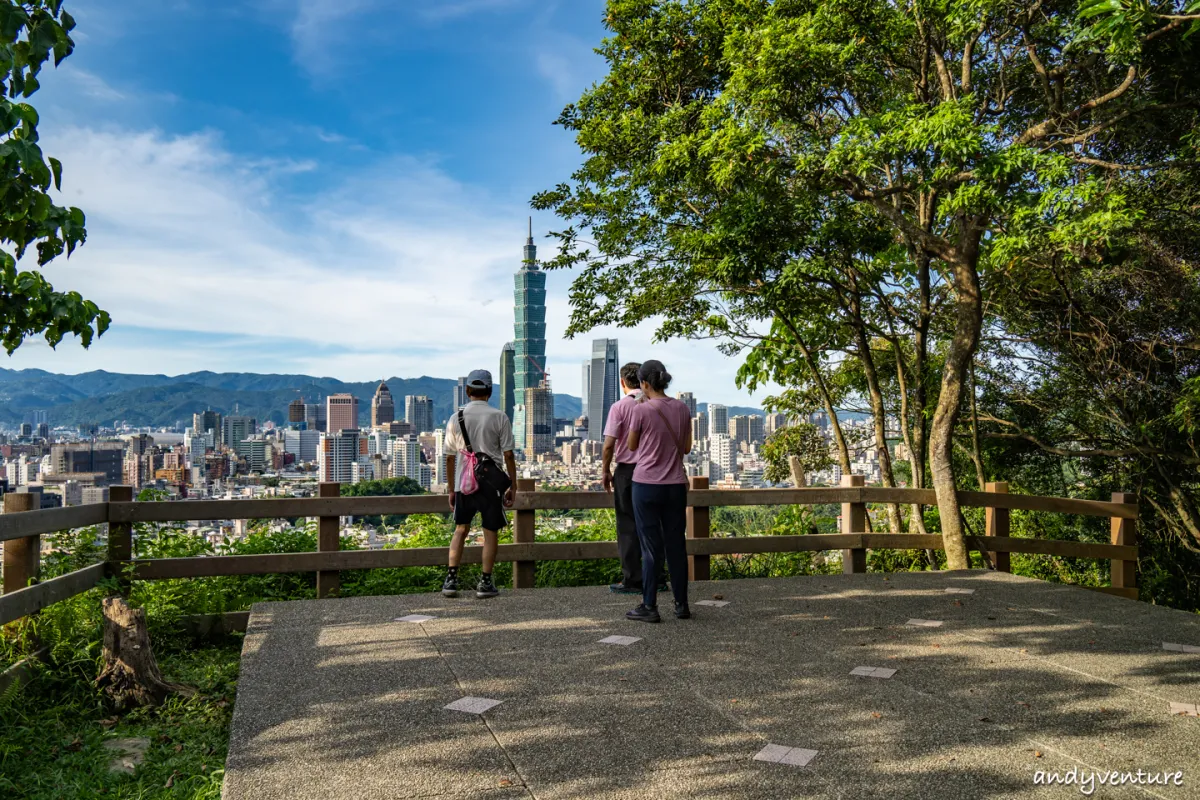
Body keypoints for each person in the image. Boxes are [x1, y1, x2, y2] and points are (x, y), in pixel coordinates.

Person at [624, 360, 693, 623]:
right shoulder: (682, 408)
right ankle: (681, 604)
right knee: (676, 545)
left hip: (646, 485)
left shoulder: (640, 410)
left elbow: (631, 446)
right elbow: (685, 448)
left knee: (651, 548)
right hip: (675, 486)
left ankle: (650, 605)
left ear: (644, 384)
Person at [442, 369, 518, 599]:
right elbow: (508, 456)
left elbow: (449, 457)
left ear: (467, 391)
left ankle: (451, 579)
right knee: (490, 532)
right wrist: (512, 485)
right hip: (490, 484)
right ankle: (485, 582)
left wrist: (451, 487)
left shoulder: (456, 418)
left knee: (461, 529)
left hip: (464, 482)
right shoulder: (499, 416)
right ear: (490, 391)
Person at [602, 361, 665, 595]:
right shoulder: (656, 404)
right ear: (642, 380)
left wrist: (605, 470)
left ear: (622, 383)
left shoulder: (619, 407)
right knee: (654, 525)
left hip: (627, 472)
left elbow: (609, 445)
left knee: (627, 526)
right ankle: (657, 576)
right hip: (655, 470)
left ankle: (633, 579)